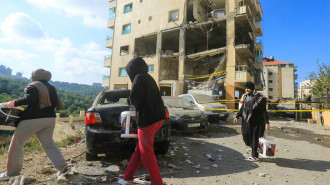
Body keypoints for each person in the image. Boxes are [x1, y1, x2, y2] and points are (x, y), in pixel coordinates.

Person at [0, 68, 70, 181]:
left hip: (33, 119)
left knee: (16, 143)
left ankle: (12, 173)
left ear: (35, 76)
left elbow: (28, 99)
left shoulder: (33, 86)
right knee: (48, 144)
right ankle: (63, 168)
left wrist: (10, 103)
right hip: (50, 119)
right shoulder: (52, 88)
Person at [118, 57, 165, 185]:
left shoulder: (138, 78)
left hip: (147, 120)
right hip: (157, 119)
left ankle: (157, 182)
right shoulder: (149, 78)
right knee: (140, 151)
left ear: (132, 70)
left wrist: (129, 99)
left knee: (146, 154)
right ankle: (127, 177)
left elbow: (135, 101)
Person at [233, 81, 270, 162]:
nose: (246, 90)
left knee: (255, 138)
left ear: (252, 88)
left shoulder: (260, 98)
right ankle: (254, 152)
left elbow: (264, 111)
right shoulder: (245, 97)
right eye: (245, 88)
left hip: (256, 122)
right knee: (246, 136)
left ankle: (255, 156)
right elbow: (242, 108)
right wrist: (237, 116)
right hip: (246, 122)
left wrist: (266, 122)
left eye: (248, 88)